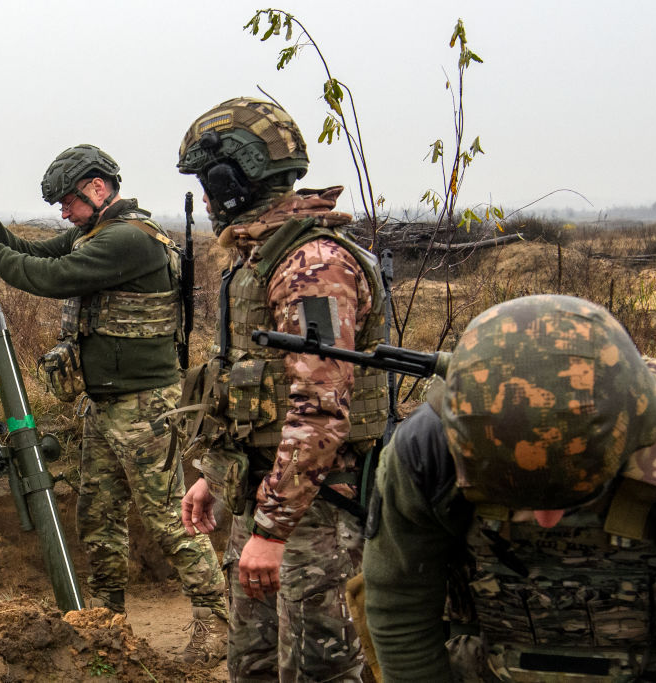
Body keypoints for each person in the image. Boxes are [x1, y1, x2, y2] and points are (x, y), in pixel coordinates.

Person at [362, 294, 656, 682]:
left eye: (577, 499)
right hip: (487, 654)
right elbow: (400, 605)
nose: (546, 521)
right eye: (509, 499)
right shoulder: (429, 451)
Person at [0, 144, 228, 667]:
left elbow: (53, 277)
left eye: (69, 201)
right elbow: (49, 253)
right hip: (104, 407)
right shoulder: (97, 234)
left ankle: (215, 621)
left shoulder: (130, 240)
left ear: (98, 188)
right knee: (98, 517)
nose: (64, 213)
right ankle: (109, 622)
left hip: (147, 409)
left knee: (169, 519)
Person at [177, 97, 390, 681]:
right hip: (269, 496)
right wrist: (216, 478)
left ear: (230, 179)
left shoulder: (312, 264)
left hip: (316, 512)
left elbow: (320, 414)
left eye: (206, 179)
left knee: (319, 670)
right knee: (254, 666)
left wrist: (273, 530)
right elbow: (247, 394)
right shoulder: (260, 257)